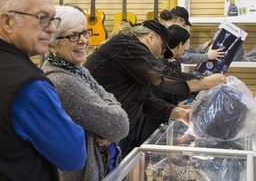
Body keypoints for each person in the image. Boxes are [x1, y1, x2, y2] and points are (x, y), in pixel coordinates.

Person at [0, 0, 86, 181]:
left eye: (52, 19)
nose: (51, 28)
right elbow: (74, 156)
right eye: (42, 18)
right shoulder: (29, 86)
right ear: (7, 21)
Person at [84, 19, 226, 157]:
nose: (162, 55)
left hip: (111, 133)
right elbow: (163, 78)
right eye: (163, 48)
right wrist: (205, 82)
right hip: (94, 133)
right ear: (150, 37)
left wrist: (179, 113)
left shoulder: (131, 55)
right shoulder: (126, 46)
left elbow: (143, 99)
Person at [41, 5, 129, 181]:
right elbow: (119, 125)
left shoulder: (78, 70)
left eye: (84, 32)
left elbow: (110, 103)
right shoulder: (63, 81)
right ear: (51, 45)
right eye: (73, 35)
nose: (82, 40)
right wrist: (109, 124)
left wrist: (108, 123)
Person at [160, 6, 225, 64]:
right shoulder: (167, 33)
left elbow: (181, 52)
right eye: (184, 25)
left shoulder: (164, 29)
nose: (183, 27)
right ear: (179, 20)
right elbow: (183, 56)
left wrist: (201, 49)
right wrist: (207, 56)